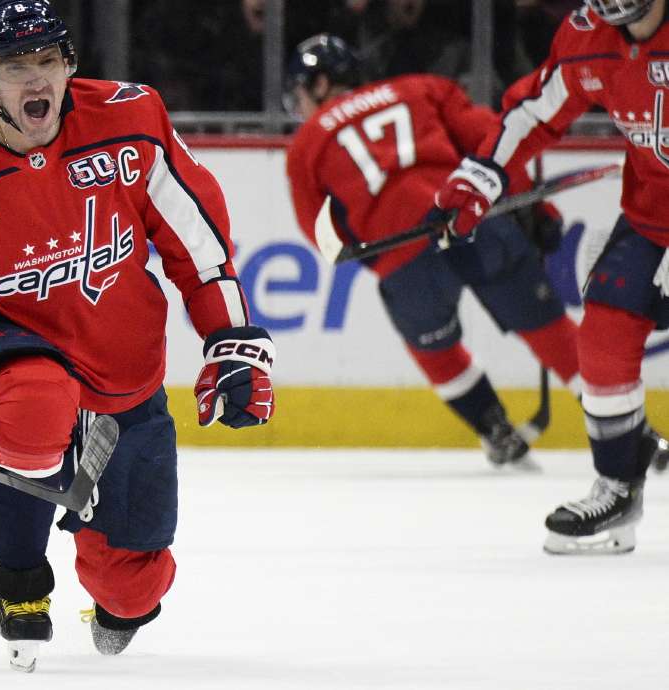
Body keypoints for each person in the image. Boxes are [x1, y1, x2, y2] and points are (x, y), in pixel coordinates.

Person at [0, 0, 274, 671]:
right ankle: (20, 581)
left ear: (70, 64)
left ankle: (112, 592)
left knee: (133, 589)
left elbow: (201, 249)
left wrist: (232, 340)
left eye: (47, 60)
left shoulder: (132, 123)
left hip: (122, 373)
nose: (35, 80)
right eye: (15, 66)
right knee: (35, 404)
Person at [430, 0, 669, 554]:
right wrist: (480, 177)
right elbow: (534, 112)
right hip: (652, 214)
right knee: (604, 331)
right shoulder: (589, 36)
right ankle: (618, 489)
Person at [285, 34, 582, 469]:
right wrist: (538, 209)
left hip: (403, 257)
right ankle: (625, 424)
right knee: (550, 330)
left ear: (322, 83)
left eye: (300, 94)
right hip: (471, 222)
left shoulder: (306, 144)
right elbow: (493, 143)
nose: (301, 107)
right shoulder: (421, 87)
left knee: (435, 348)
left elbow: (321, 233)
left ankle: (493, 428)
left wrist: (376, 258)